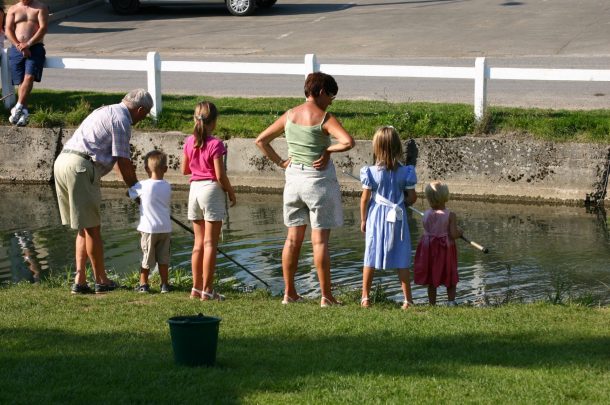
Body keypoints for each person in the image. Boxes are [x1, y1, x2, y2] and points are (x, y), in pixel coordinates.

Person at [255, 72, 355, 307]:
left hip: (293, 181)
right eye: (331, 96)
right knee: (319, 242)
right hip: (317, 182)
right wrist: (328, 150)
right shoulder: (325, 118)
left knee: (292, 240)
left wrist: (281, 162)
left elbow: (261, 140)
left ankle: (289, 293)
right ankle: (326, 297)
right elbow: (348, 142)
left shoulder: (289, 115)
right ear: (320, 92)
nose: (331, 101)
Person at [53, 88, 153, 294]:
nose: (143, 119)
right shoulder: (122, 120)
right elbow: (124, 162)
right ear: (140, 109)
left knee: (84, 227)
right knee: (93, 229)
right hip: (80, 167)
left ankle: (80, 280)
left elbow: (116, 159)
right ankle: (101, 280)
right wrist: (137, 190)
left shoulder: (105, 111)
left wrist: (134, 190)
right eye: (145, 114)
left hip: (63, 162)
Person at [181, 101, 236, 301]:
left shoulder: (189, 141)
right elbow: (220, 176)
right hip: (211, 189)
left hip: (194, 189)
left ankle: (195, 288)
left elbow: (184, 170)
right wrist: (231, 192)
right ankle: (208, 289)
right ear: (213, 122)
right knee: (210, 243)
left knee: (198, 243)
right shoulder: (216, 144)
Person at [360, 126, 417, 309]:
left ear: (376, 148)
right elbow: (412, 197)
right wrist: (403, 202)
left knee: (371, 252)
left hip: (376, 216)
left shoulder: (370, 172)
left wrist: (363, 220)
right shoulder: (406, 171)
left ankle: (365, 297)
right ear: (398, 147)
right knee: (401, 256)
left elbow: (365, 199)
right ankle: (407, 299)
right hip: (398, 218)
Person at [128, 150, 172, 294]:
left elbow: (129, 193)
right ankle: (164, 285)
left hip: (149, 229)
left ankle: (143, 284)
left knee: (146, 259)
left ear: (147, 169)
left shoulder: (142, 185)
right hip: (165, 228)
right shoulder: (167, 185)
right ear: (165, 169)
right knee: (163, 259)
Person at [413, 181, 463, 306]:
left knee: (431, 276)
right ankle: (451, 302)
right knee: (449, 273)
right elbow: (453, 234)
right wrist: (460, 232)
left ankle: (432, 304)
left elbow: (428, 231)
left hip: (429, 249)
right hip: (445, 249)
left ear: (429, 197)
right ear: (445, 196)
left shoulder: (426, 215)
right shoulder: (450, 215)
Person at [5, 0, 48, 126]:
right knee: (21, 82)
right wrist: (19, 45)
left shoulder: (40, 7)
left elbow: (43, 28)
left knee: (29, 76)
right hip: (17, 48)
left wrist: (28, 44)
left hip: (35, 48)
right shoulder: (13, 9)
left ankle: (17, 107)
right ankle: (24, 113)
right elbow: (8, 29)